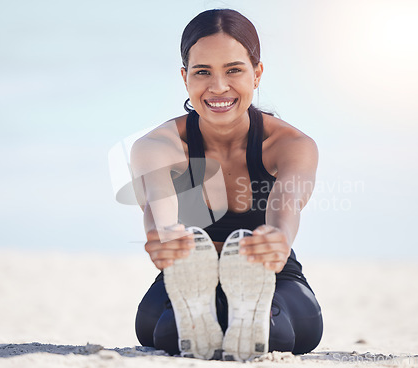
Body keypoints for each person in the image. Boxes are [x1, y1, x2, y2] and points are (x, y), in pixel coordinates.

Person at [131, 8, 323, 361]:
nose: (218, 87)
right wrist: (167, 237)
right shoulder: (158, 147)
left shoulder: (291, 145)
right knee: (161, 333)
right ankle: (200, 301)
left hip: (270, 278)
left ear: (257, 73)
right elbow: (158, 202)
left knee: (285, 334)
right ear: (185, 77)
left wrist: (278, 240)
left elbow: (289, 200)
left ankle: (246, 306)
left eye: (233, 70)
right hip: (187, 277)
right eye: (203, 72)